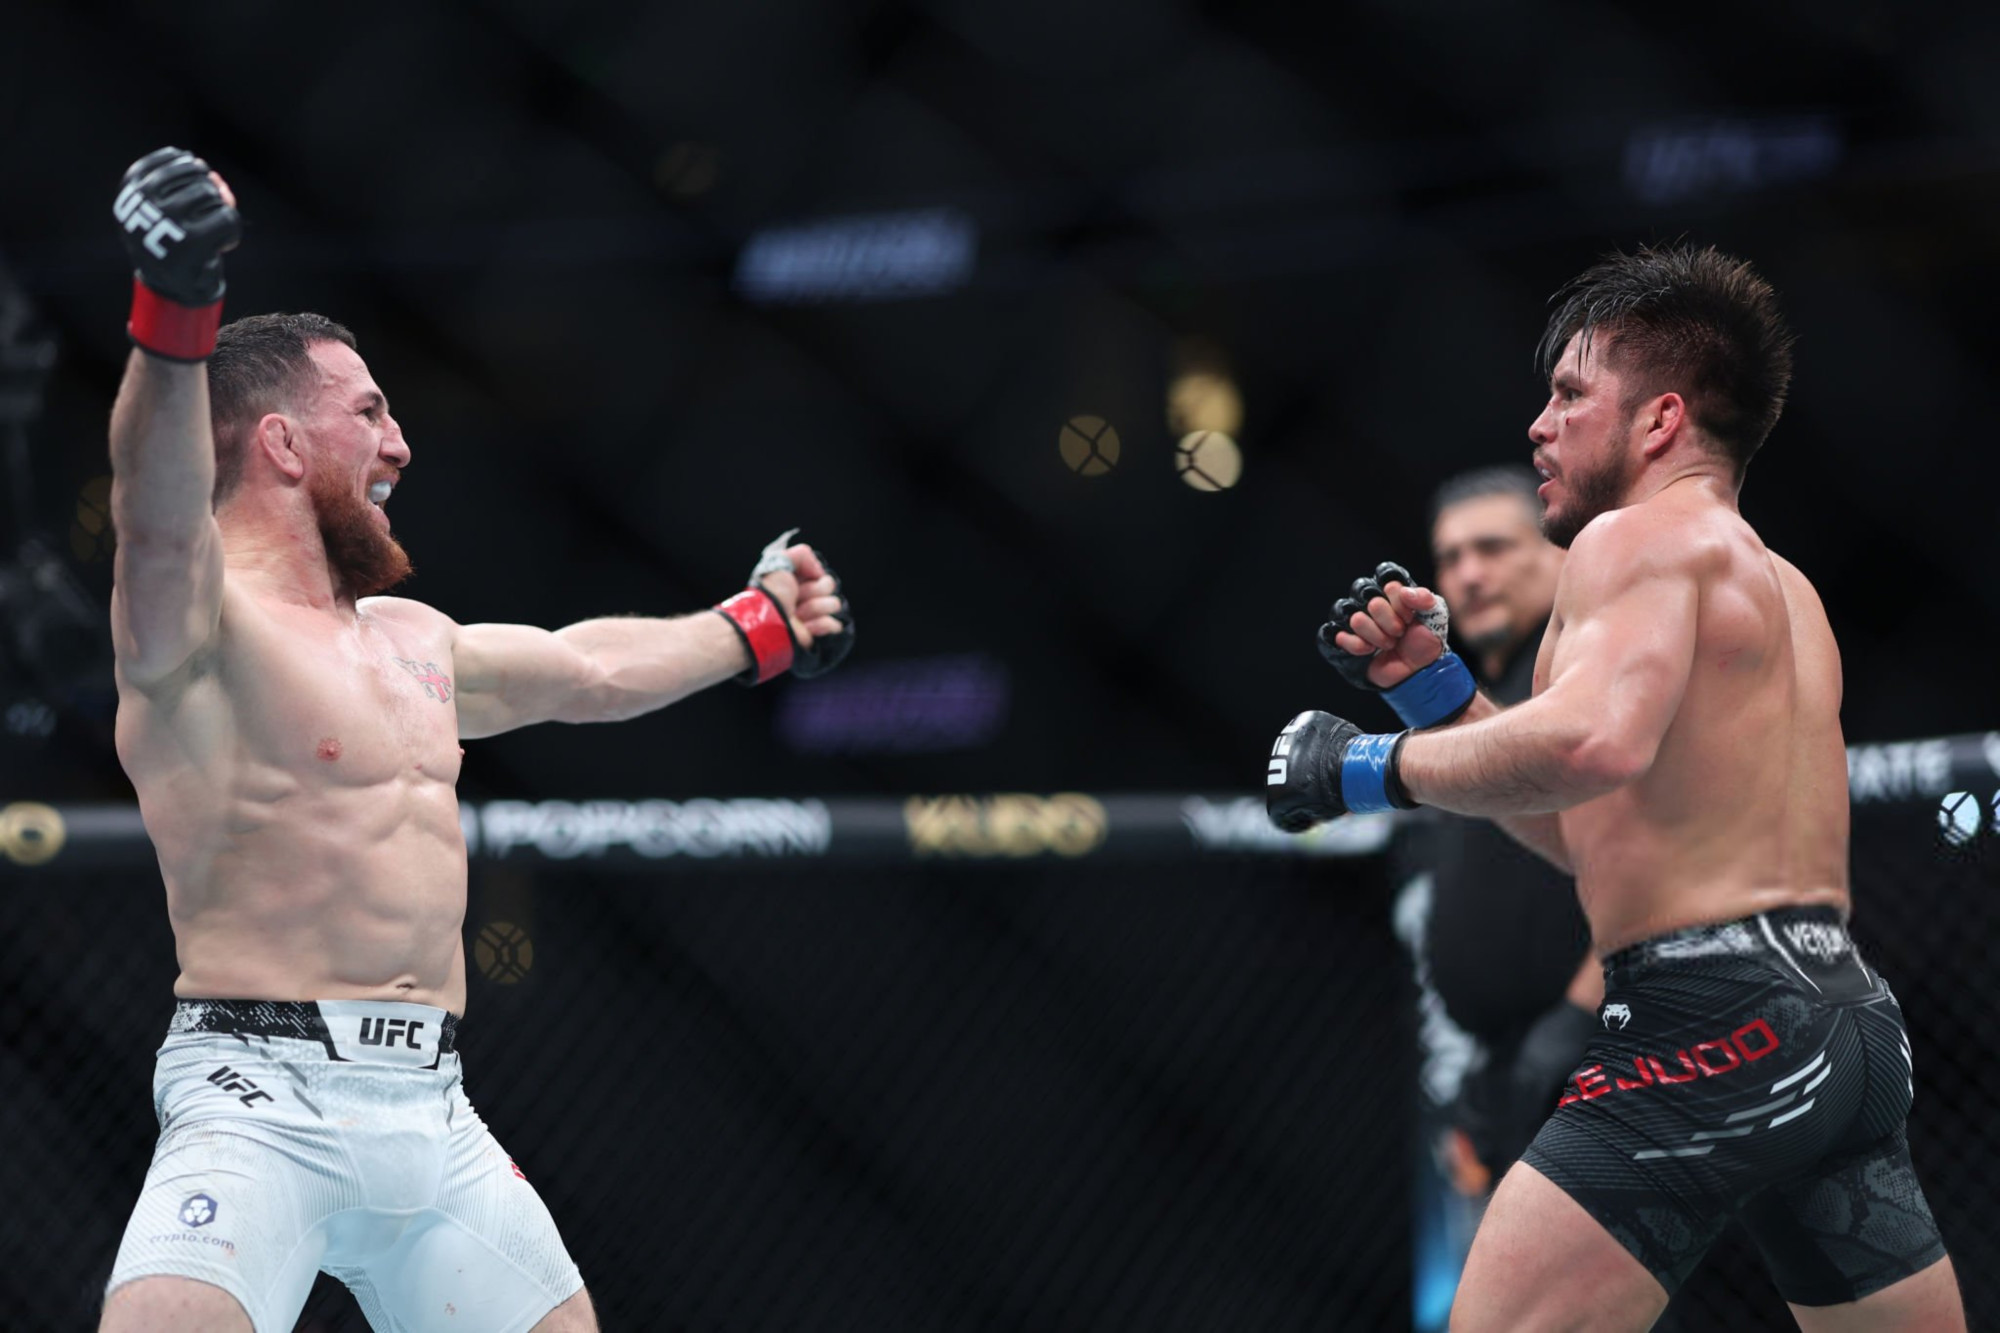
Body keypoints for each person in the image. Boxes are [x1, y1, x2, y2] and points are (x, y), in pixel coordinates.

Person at [99, 147, 853, 1333]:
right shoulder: (198, 625)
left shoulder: (415, 640)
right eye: (369, 413)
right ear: (281, 443)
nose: (400, 444)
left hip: (432, 1107)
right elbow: (151, 512)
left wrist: (754, 627)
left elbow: (590, 670)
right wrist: (174, 305)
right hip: (256, 1099)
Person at [1267, 244, 1963, 1330]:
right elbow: (1582, 834)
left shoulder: (1632, 541)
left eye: (1568, 394)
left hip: (1705, 1021)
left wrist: (1361, 767)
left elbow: (1591, 742)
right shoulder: (1783, 588)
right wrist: (1436, 698)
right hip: (1842, 1026)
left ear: (1659, 420)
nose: (1538, 426)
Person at [1381, 466, 1596, 1330]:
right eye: (1450, 558)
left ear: (1558, 554)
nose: (1468, 574)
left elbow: (1661, 864)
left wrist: (1576, 1022)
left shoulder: (1586, 683)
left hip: (1609, 1053)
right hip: (1499, 1070)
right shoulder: (1469, 706)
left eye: (1493, 548)